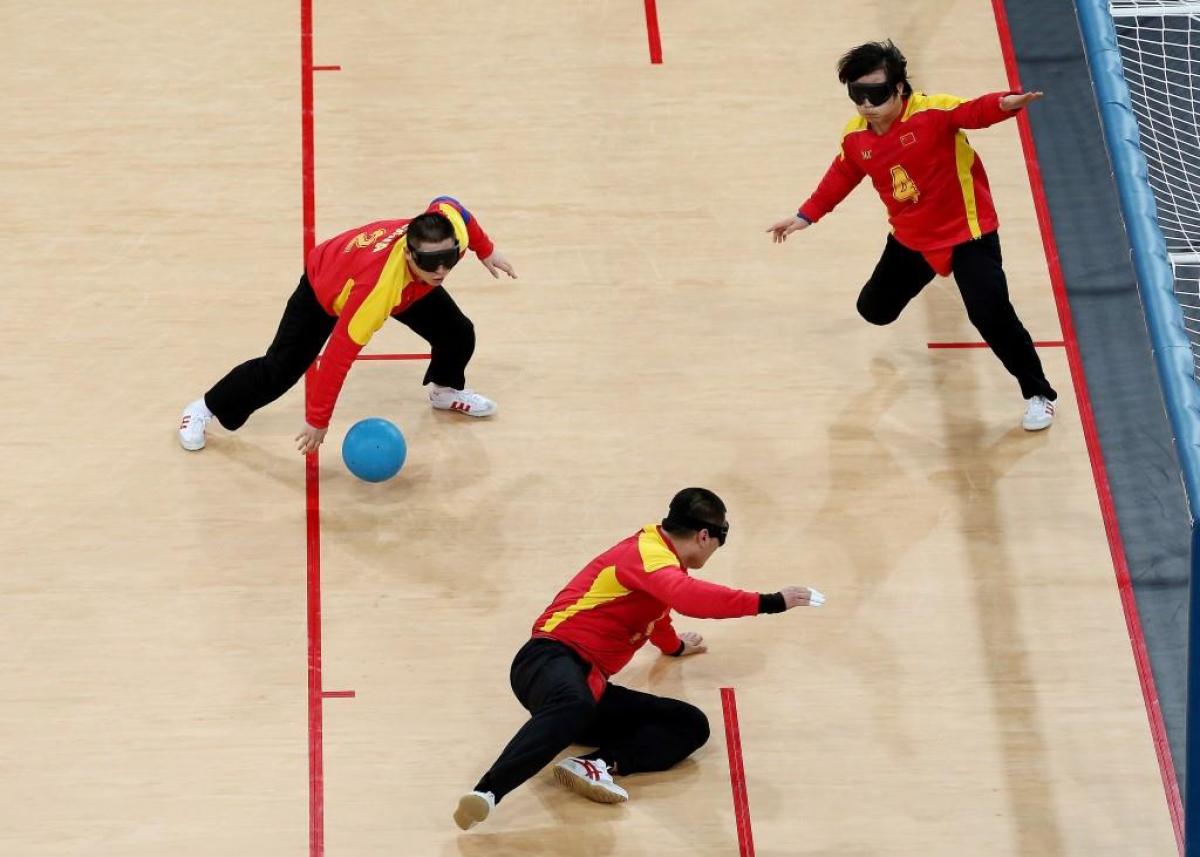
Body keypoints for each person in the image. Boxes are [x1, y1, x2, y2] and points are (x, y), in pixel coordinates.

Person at [453, 487, 825, 831]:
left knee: (689, 724)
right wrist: (771, 602)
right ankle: (488, 792)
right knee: (575, 702)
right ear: (704, 536)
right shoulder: (646, 553)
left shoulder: (662, 567)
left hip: (589, 685)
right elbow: (688, 598)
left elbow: (657, 616)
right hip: (548, 659)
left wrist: (676, 647)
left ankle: (596, 764)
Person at [767, 41, 1058, 431]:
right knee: (874, 310)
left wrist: (1006, 104)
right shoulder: (856, 137)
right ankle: (933, 278)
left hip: (967, 233)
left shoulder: (932, 111)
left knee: (991, 316)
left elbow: (972, 111)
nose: (867, 103)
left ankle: (1039, 393)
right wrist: (806, 215)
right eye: (858, 94)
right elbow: (843, 174)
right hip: (912, 239)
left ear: (900, 88)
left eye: (877, 92)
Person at [178, 196, 516, 453]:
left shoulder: (445, 240)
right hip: (326, 287)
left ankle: (445, 391)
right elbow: (338, 357)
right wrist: (317, 420)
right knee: (278, 370)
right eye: (432, 262)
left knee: (457, 332)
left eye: (449, 258)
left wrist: (485, 249)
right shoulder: (376, 292)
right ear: (410, 255)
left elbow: (452, 205)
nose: (441, 270)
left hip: (406, 284)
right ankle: (204, 408)